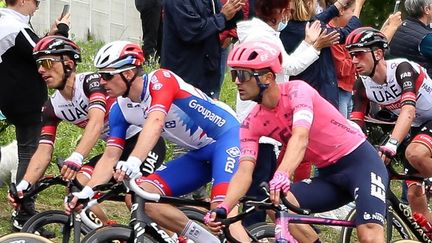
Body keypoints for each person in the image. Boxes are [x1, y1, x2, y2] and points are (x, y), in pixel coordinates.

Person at [65, 41, 249, 242]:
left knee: (223, 214)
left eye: (107, 75)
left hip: (228, 139)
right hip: (199, 153)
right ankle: (204, 240)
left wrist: (134, 161)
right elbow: (110, 157)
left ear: (128, 73)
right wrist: (88, 192)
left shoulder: (161, 80)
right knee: (142, 196)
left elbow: (155, 122)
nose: (102, 82)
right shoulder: (120, 109)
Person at [205, 40, 388, 243]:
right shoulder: (251, 122)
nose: (236, 82)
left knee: (369, 234)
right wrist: (224, 207)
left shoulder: (297, 91)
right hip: (329, 175)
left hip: (360, 163)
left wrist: (282, 174)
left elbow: (301, 136)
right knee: (276, 205)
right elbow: (244, 171)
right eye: (234, 74)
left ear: (267, 77)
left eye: (242, 75)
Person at [7, 36, 165, 228]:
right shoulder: (52, 107)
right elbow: (43, 152)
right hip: (114, 150)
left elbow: (96, 122)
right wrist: (25, 184)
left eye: (47, 62)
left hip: (143, 144)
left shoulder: (92, 82)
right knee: (77, 189)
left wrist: (76, 157)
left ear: (69, 63)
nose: (41, 69)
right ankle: (111, 231)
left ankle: (175, 237)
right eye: (38, 64)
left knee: (136, 199)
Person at [234, 0, 328, 226]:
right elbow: (288, 68)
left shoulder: (261, 33)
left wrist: (308, 44)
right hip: (260, 119)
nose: (290, 14)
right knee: (258, 186)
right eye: (288, 10)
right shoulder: (263, 37)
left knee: (259, 181)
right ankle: (253, 232)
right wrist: (313, 47)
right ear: (281, 12)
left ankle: (254, 229)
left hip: (259, 116)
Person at [347, 27, 432, 224]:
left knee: (415, 153)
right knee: (414, 195)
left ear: (377, 53)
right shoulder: (362, 85)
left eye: (359, 54)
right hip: (419, 125)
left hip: (422, 119)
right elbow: (356, 125)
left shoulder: (402, 69)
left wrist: (392, 144)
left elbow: (408, 111)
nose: (353, 61)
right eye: (351, 55)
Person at [0, 0, 70, 232]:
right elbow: (45, 55)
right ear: (22, 0)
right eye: (35, 1)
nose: (37, 6)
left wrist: (48, 34)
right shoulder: (15, 25)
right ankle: (24, 212)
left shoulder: (7, 21)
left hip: (12, 97)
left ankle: (22, 209)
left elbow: (30, 49)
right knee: (31, 155)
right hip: (25, 101)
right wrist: (61, 32)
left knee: (27, 153)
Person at [280, 0, 365, 108]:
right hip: (317, 96)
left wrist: (339, 4)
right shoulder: (310, 29)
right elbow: (347, 33)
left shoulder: (291, 27)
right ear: (309, 4)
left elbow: (319, 19)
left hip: (301, 93)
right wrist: (358, 7)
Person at [161, 0, 244, 99]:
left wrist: (235, 8)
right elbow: (191, 32)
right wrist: (222, 17)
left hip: (208, 74)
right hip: (184, 76)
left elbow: (223, 22)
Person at [389, 0, 432, 77]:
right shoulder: (426, 38)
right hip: (422, 85)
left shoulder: (396, 28)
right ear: (427, 10)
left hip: (398, 81)